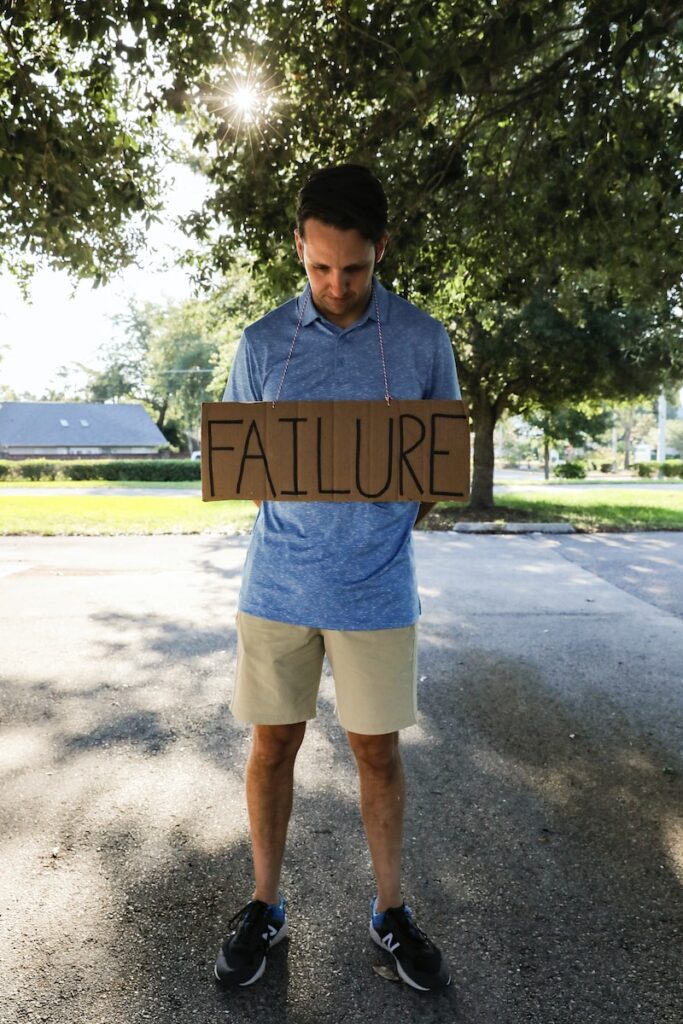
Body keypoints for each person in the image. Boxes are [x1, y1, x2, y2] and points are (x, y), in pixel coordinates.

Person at [214, 164, 461, 992]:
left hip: (377, 591)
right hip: (277, 587)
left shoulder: (424, 342)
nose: (335, 284)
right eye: (319, 266)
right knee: (271, 746)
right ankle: (263, 906)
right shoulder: (258, 345)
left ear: (380, 249)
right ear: (299, 248)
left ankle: (391, 913)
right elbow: (242, 467)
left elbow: (434, 472)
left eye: (352, 268)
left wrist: (376, 532)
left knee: (377, 753)